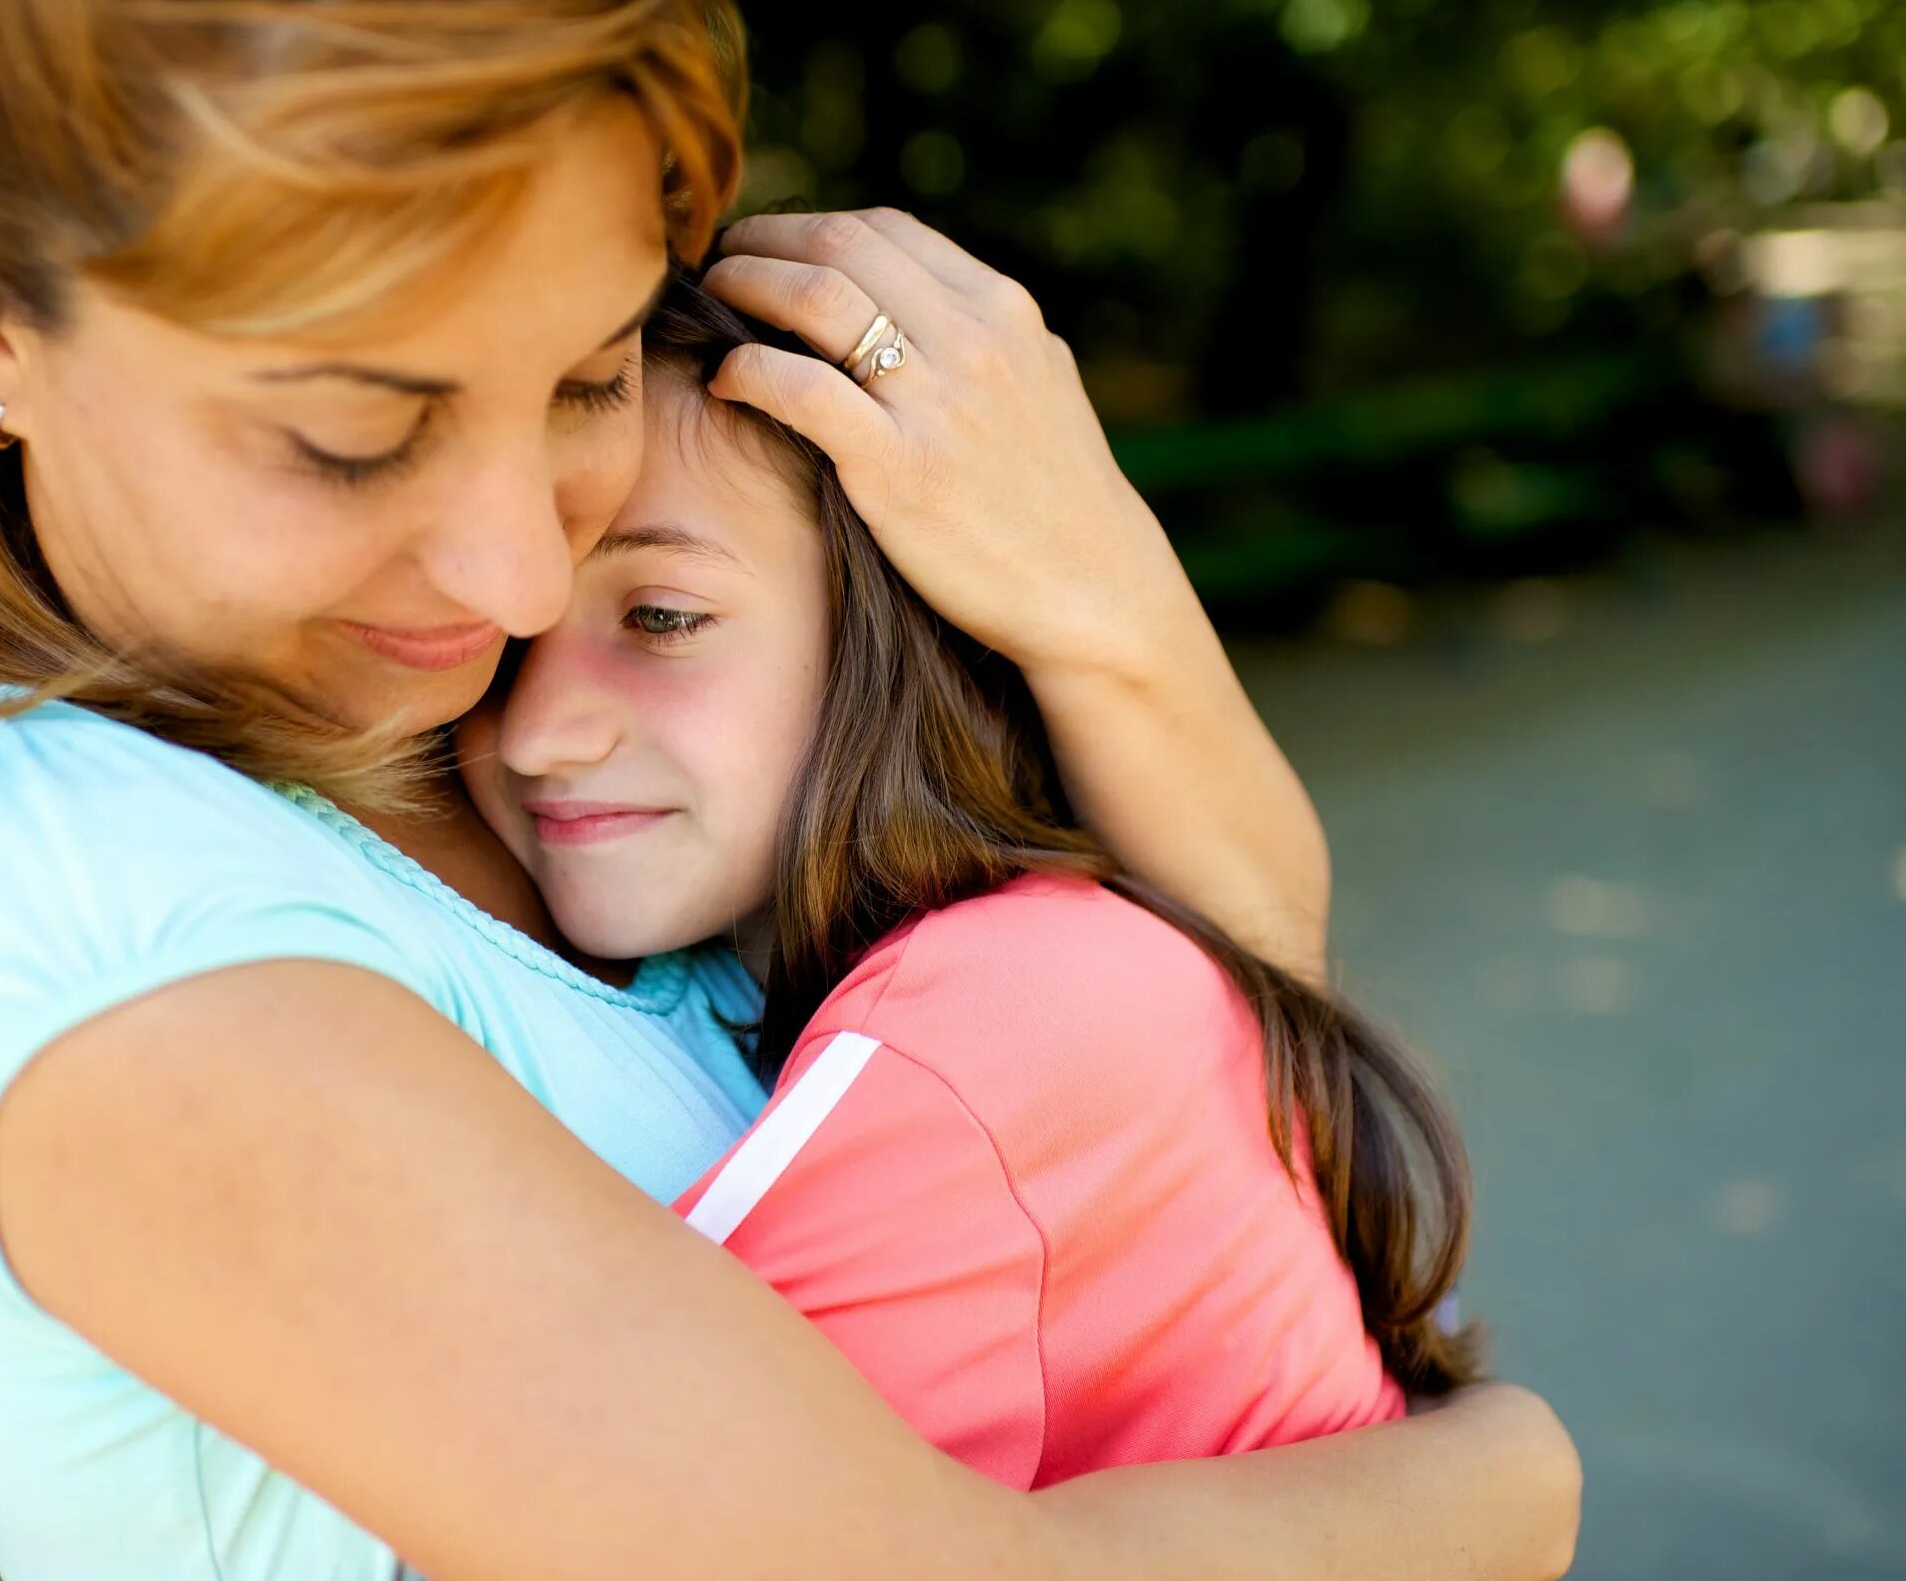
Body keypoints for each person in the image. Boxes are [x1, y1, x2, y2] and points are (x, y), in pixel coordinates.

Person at [0, 0, 1581, 1577]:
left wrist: (1095, 589)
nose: (518, 587)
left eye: (585, 376)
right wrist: (1502, 1490)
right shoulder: (79, 917)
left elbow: (1227, 1028)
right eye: (350, 437)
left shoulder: (462, 746)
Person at [459, 272, 1482, 1486]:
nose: (534, 732)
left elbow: (625, 1519)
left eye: (665, 617)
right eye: (504, 634)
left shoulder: (984, 1032)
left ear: (901, 625)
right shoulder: (1062, 947)